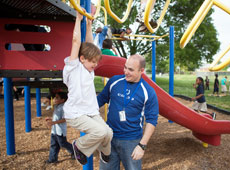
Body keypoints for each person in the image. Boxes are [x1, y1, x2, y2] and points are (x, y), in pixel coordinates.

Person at [62, 9, 113, 165]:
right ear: (82, 58)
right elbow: (77, 42)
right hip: (76, 113)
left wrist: (89, 24)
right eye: (93, 62)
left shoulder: (88, 70)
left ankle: (105, 153)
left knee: (109, 133)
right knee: (101, 131)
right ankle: (79, 145)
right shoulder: (73, 67)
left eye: (96, 62)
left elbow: (89, 44)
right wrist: (78, 19)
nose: (95, 65)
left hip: (90, 111)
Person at [97, 54, 159, 170]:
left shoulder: (148, 92)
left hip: (132, 141)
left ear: (141, 71)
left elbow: (152, 120)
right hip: (109, 137)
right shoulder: (114, 81)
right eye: (125, 67)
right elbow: (99, 101)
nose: (126, 71)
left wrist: (142, 145)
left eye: (130, 69)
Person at [45, 92, 74, 164]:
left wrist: (53, 122)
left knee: (63, 143)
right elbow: (57, 117)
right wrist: (51, 119)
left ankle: (75, 151)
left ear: (63, 100)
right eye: (55, 97)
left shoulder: (64, 108)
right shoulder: (57, 106)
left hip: (60, 130)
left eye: (57, 98)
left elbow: (65, 119)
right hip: (54, 130)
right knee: (54, 144)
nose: (54, 99)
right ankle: (52, 159)